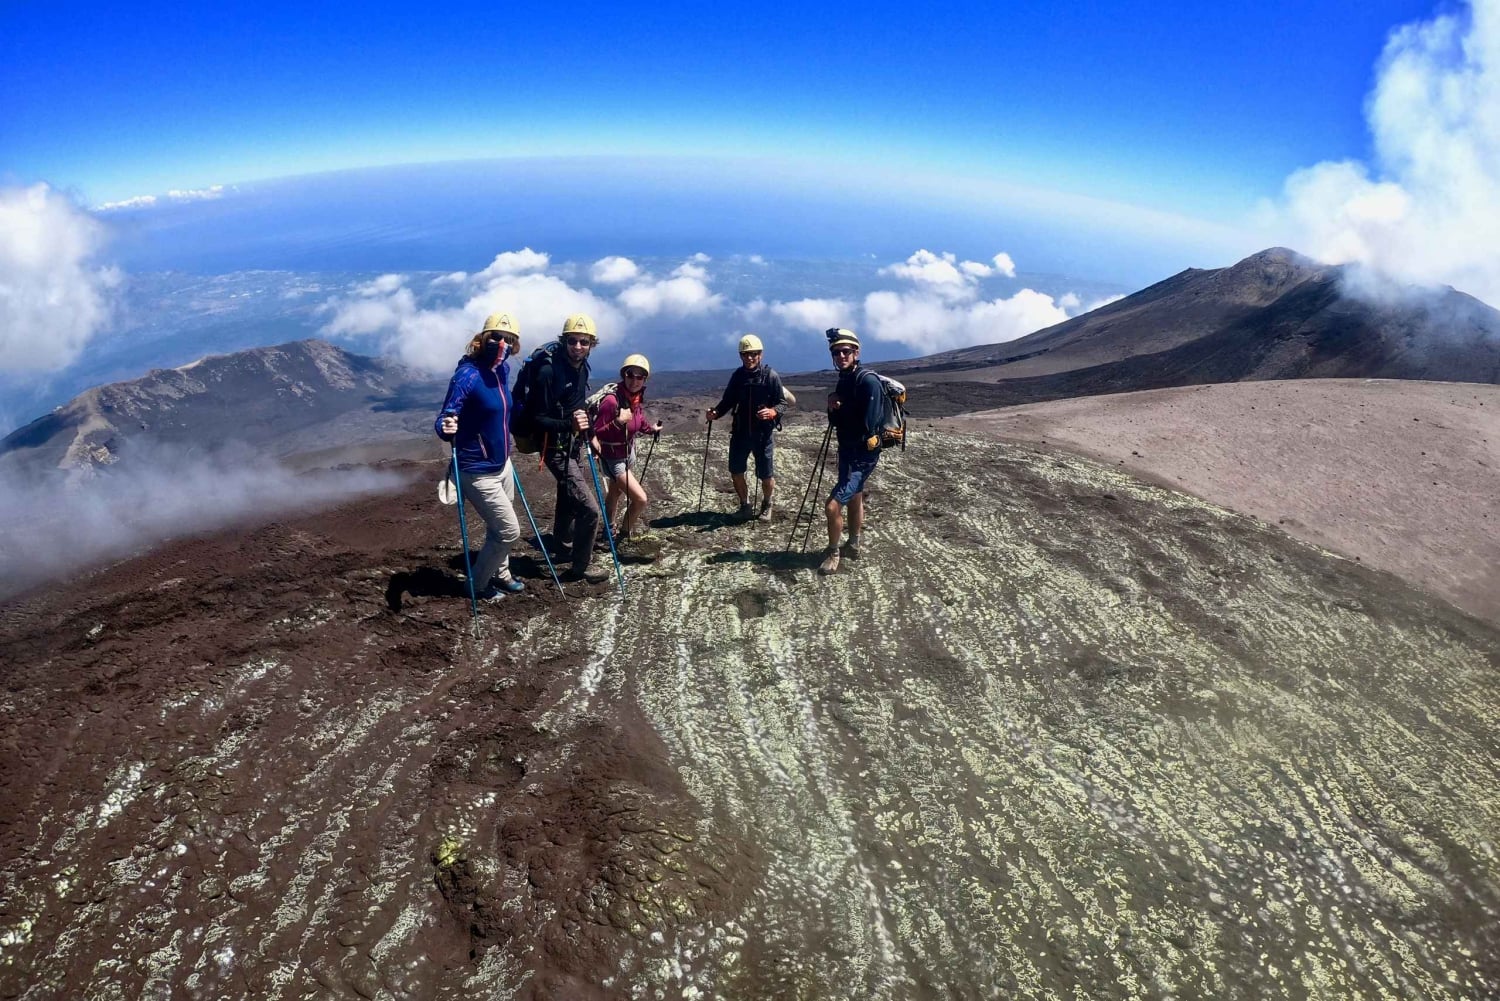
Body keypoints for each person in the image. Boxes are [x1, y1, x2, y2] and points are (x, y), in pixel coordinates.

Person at [435, 313, 525, 599]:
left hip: (502, 465)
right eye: (496, 337)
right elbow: (445, 417)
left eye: (508, 339)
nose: (502, 343)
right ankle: (478, 584)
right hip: (476, 469)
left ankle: (501, 573)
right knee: (509, 531)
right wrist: (446, 427)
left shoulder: (502, 370)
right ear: (482, 338)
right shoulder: (468, 375)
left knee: (497, 529)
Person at [527, 313, 609, 584]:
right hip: (555, 448)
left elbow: (579, 405)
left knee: (568, 498)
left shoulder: (582, 367)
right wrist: (569, 424)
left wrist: (590, 433)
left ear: (590, 345)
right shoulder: (548, 372)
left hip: (574, 445)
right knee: (590, 510)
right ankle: (580, 567)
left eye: (584, 342)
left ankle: (562, 547)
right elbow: (535, 418)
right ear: (564, 342)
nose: (578, 347)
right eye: (573, 341)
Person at [820, 327, 883, 575]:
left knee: (832, 506)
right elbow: (838, 421)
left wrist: (840, 407)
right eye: (836, 352)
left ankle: (834, 553)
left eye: (845, 351)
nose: (841, 356)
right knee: (854, 495)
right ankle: (854, 544)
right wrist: (832, 406)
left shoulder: (867, 381)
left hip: (862, 456)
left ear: (856, 353)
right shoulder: (846, 379)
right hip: (848, 450)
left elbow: (868, 425)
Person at [705, 334, 787, 522]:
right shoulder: (738, 376)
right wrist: (715, 413)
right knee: (736, 471)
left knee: (766, 475)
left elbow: (782, 403)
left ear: (761, 355)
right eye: (745, 354)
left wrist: (773, 412)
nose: (750, 358)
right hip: (740, 432)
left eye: (754, 354)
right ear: (740, 356)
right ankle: (745, 505)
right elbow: (728, 401)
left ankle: (767, 504)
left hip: (762, 434)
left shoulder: (770, 376)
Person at [592, 353, 663, 550]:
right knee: (640, 499)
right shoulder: (612, 402)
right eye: (630, 374)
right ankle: (622, 537)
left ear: (644, 379)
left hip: (627, 453)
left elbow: (638, 422)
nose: (634, 380)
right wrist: (617, 422)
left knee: (614, 493)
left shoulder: (635, 398)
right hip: (613, 458)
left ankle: (608, 530)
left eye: (640, 376)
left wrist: (651, 430)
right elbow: (595, 432)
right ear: (624, 375)